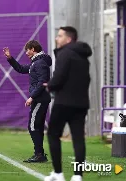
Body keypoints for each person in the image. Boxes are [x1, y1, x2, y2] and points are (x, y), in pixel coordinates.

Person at [43, 26, 92, 181]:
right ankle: (78, 176)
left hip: (63, 102)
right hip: (81, 103)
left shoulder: (65, 53)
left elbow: (59, 77)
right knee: (78, 138)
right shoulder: (83, 56)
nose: (57, 39)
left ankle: (58, 174)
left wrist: (49, 85)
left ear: (68, 39)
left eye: (60, 36)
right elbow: (86, 79)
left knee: (52, 135)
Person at [3, 40, 52, 163]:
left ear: (33, 49)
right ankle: (39, 154)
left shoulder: (39, 63)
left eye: (27, 50)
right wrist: (10, 58)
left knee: (33, 126)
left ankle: (39, 154)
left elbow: (42, 82)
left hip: (39, 99)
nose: (26, 53)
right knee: (38, 126)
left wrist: (32, 97)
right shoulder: (36, 62)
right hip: (40, 98)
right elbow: (20, 69)